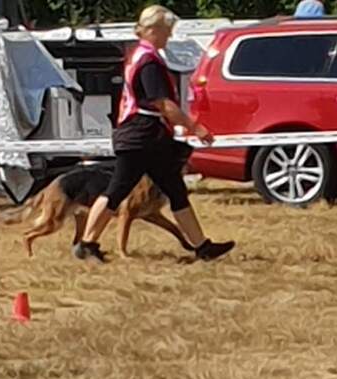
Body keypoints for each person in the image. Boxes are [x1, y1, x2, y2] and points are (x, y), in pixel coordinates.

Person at [74, 5, 234, 262]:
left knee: (174, 189)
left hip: (146, 136)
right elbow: (163, 103)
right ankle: (87, 243)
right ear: (152, 30)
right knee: (118, 190)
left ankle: (202, 246)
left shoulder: (139, 55)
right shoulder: (148, 62)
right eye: (166, 30)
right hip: (142, 136)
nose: (169, 35)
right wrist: (194, 127)